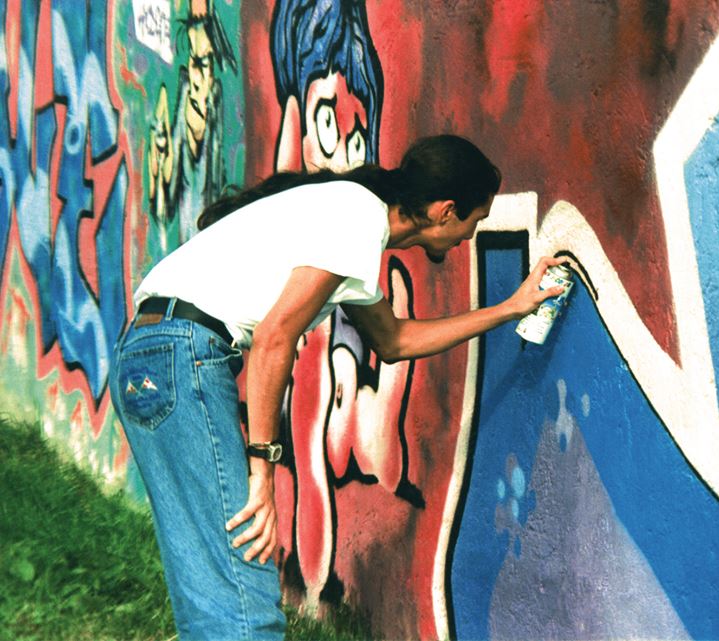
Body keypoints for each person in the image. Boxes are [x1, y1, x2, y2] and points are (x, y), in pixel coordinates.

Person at [108, 134, 566, 640]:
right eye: (474, 221)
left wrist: (511, 308)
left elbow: (394, 340)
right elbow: (275, 337)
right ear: (445, 211)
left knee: (212, 586)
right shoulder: (358, 219)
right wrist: (262, 468)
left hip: (146, 355)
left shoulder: (351, 220)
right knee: (242, 599)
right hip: (182, 357)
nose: (468, 237)